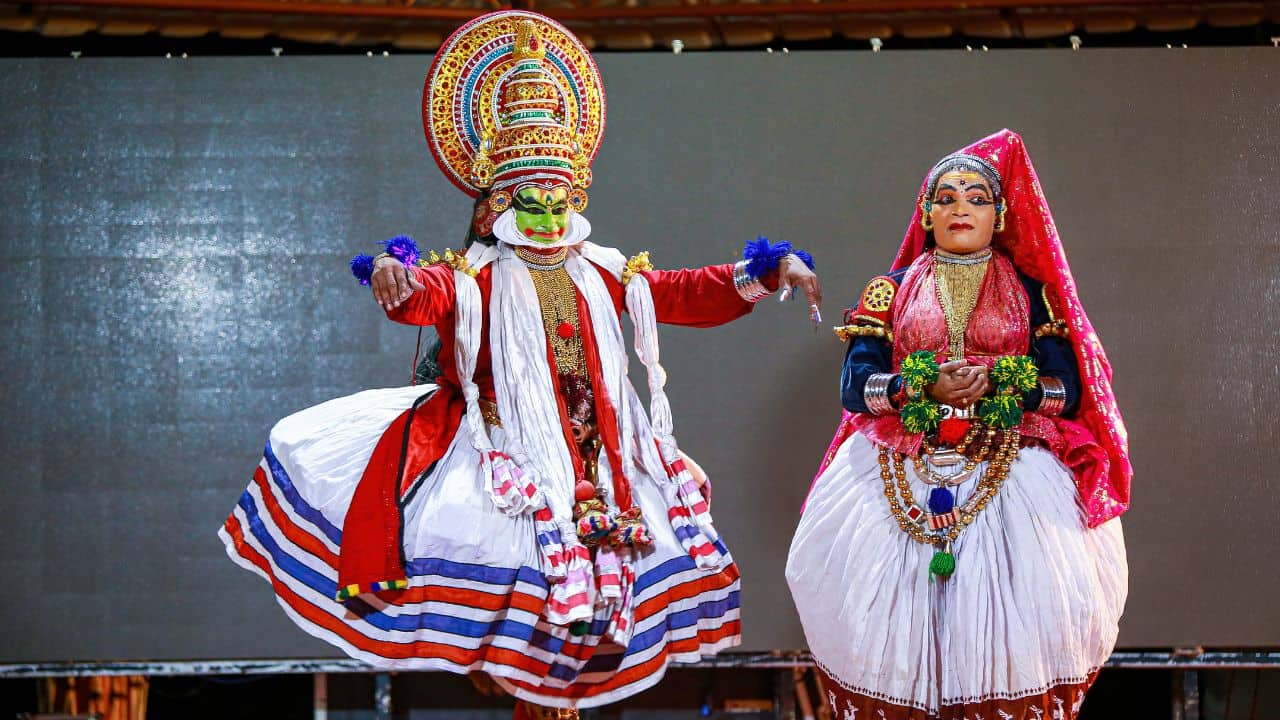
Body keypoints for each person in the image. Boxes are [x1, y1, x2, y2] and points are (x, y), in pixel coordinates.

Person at [219, 11, 821, 718]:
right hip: (508, 470)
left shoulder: (606, 272)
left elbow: (686, 292)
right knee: (523, 641)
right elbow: (423, 295)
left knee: (597, 637)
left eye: (557, 202)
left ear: (576, 200)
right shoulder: (473, 279)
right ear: (494, 209)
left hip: (604, 466)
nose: (544, 218)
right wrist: (392, 272)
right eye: (526, 202)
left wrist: (769, 269)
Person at [786, 129, 1129, 720]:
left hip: (1012, 465)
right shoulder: (889, 289)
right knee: (872, 619)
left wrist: (1001, 384)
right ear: (926, 214)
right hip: (900, 463)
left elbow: (1067, 391)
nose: (960, 208)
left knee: (1025, 616)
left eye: (976, 197)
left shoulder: (1032, 292)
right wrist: (916, 387)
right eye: (945, 197)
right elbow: (854, 385)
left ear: (999, 216)